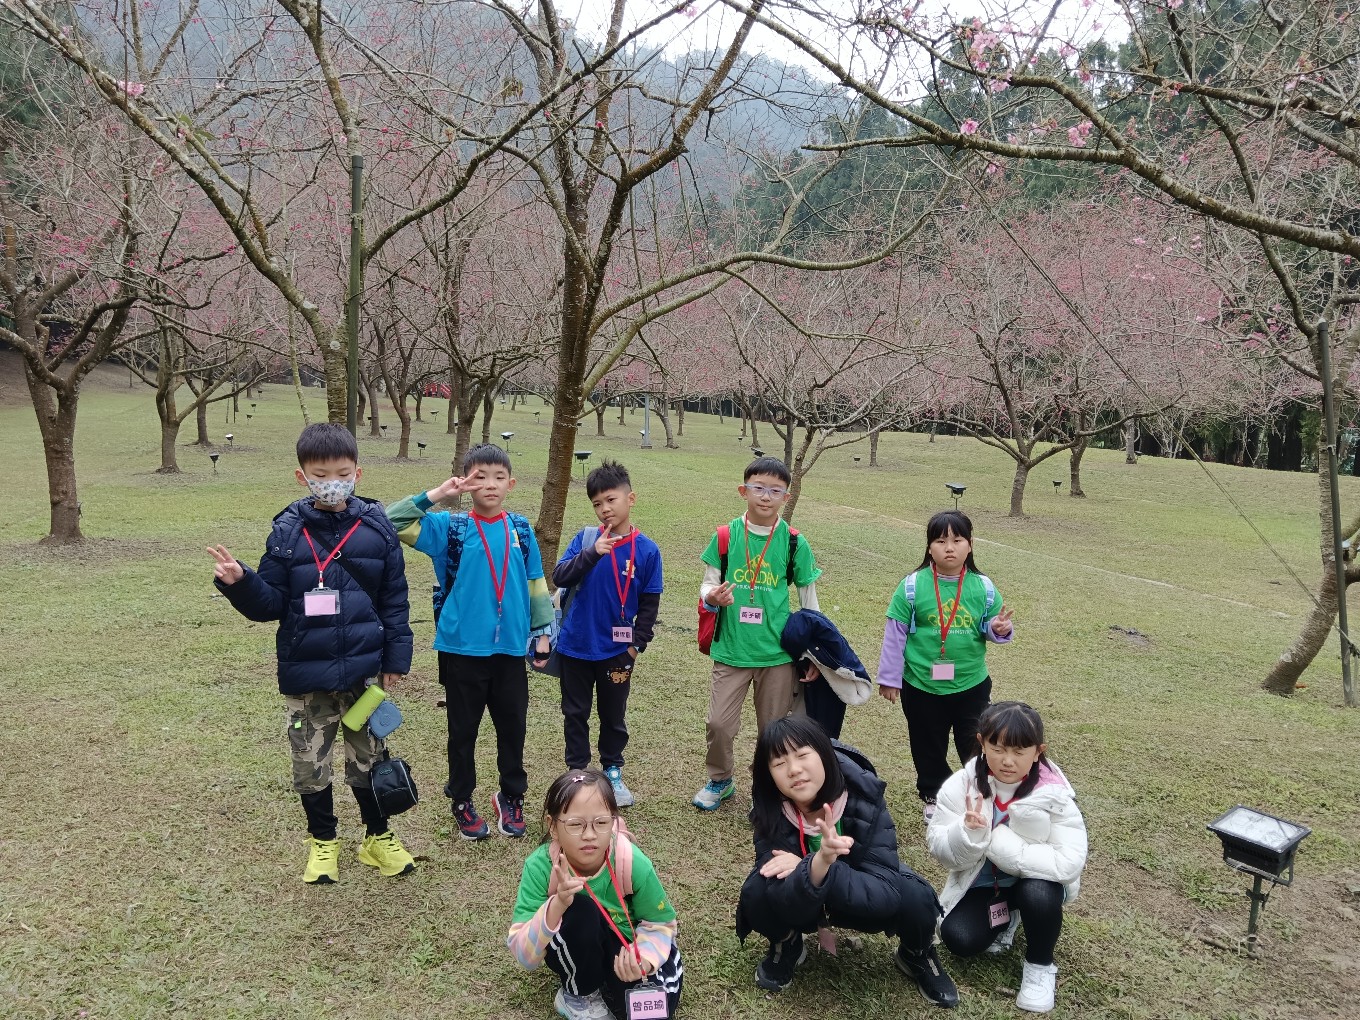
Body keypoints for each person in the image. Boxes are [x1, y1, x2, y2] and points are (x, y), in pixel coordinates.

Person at [207, 423, 415, 884]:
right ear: (303, 477)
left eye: (342, 474)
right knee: (310, 765)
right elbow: (270, 605)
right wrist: (240, 582)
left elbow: (395, 600)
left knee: (370, 758)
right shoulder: (287, 531)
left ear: (357, 473)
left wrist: (395, 660)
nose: (332, 483)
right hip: (307, 675)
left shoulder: (377, 527)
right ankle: (323, 843)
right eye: (321, 475)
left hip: (364, 673)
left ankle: (377, 837)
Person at [385, 444, 554, 841]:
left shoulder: (521, 529)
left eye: (498, 477)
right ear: (465, 482)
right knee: (462, 733)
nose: (490, 485)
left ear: (511, 483)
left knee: (512, 729)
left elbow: (536, 582)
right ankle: (461, 800)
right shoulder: (449, 528)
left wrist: (543, 633)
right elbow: (391, 521)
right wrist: (438, 495)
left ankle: (511, 795)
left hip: (510, 650)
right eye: (480, 477)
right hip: (462, 650)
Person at [735, 717, 958, 1007]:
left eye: (802, 755)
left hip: (860, 891)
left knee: (915, 897)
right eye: (779, 763)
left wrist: (817, 865)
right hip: (805, 901)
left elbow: (884, 896)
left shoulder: (863, 794)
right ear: (769, 774)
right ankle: (787, 942)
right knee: (758, 888)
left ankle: (916, 953)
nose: (794, 770)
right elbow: (781, 899)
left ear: (824, 754)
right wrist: (818, 864)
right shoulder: (771, 808)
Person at [926, 701, 1087, 1014]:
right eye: (997, 749)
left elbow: (1069, 862)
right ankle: (1009, 916)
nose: (1008, 761)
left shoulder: (1053, 794)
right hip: (984, 885)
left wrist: (998, 844)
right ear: (982, 743)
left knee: (1038, 894)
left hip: (1036, 882)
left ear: (1038, 752)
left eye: (1019, 751)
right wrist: (968, 833)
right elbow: (943, 852)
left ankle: (1040, 966)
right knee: (959, 939)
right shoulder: (962, 785)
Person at [694, 456, 821, 811]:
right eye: (758, 488)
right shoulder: (725, 535)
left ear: (786, 497)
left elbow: (809, 601)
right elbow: (707, 584)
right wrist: (713, 596)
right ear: (743, 490)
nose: (766, 496)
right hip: (731, 650)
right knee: (719, 724)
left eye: (775, 490)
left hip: (777, 654)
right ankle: (720, 779)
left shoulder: (794, 542)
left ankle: (765, 790)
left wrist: (815, 653)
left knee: (773, 731)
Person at [508, 769, 683, 1020]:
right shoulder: (540, 868)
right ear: (553, 826)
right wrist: (558, 904)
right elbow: (524, 956)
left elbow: (661, 923)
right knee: (580, 909)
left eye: (601, 823)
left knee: (653, 1012)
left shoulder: (631, 862)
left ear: (613, 822)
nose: (589, 835)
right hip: (579, 943)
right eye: (575, 824)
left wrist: (643, 958)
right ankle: (580, 994)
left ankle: (615, 984)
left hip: (626, 950)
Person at [877, 510, 1013, 821]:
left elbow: (991, 624)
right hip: (921, 685)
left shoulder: (983, 586)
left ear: (970, 544)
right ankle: (934, 796)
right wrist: (890, 678)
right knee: (928, 744)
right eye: (940, 541)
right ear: (929, 547)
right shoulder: (912, 586)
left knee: (975, 741)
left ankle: (979, 791)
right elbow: (895, 634)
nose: (949, 547)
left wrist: (998, 628)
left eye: (957, 540)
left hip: (971, 684)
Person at [551, 460, 663, 808]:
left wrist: (635, 647)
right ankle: (578, 773)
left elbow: (649, 604)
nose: (605, 509)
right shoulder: (586, 539)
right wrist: (592, 553)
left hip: (618, 651)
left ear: (631, 498)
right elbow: (560, 576)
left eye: (611, 500)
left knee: (613, 714)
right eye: (597, 503)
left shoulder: (647, 550)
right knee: (575, 713)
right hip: (575, 646)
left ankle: (612, 770)